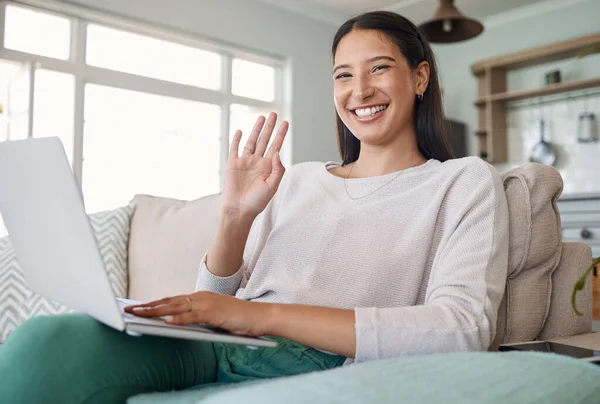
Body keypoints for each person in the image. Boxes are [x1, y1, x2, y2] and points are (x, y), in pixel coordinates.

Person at [0, 10, 509, 403]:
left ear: (420, 79)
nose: (360, 91)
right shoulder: (300, 179)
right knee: (42, 344)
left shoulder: (462, 182)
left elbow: (462, 328)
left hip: (314, 364)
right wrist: (234, 216)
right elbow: (217, 300)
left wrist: (259, 315)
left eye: (379, 69)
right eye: (343, 76)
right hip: (219, 346)